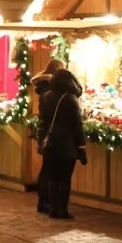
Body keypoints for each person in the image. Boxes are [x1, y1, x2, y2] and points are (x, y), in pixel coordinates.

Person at [38, 68, 87, 219]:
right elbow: (77, 125)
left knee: (53, 176)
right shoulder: (70, 99)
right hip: (67, 144)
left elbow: (42, 122)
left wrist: (41, 140)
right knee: (65, 177)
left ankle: (52, 208)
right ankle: (62, 209)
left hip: (51, 143)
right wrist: (81, 146)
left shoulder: (46, 97)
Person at [31, 59, 66, 213]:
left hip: (45, 131)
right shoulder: (51, 90)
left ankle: (43, 200)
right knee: (50, 170)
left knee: (46, 168)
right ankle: (47, 201)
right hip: (51, 133)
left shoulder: (43, 88)